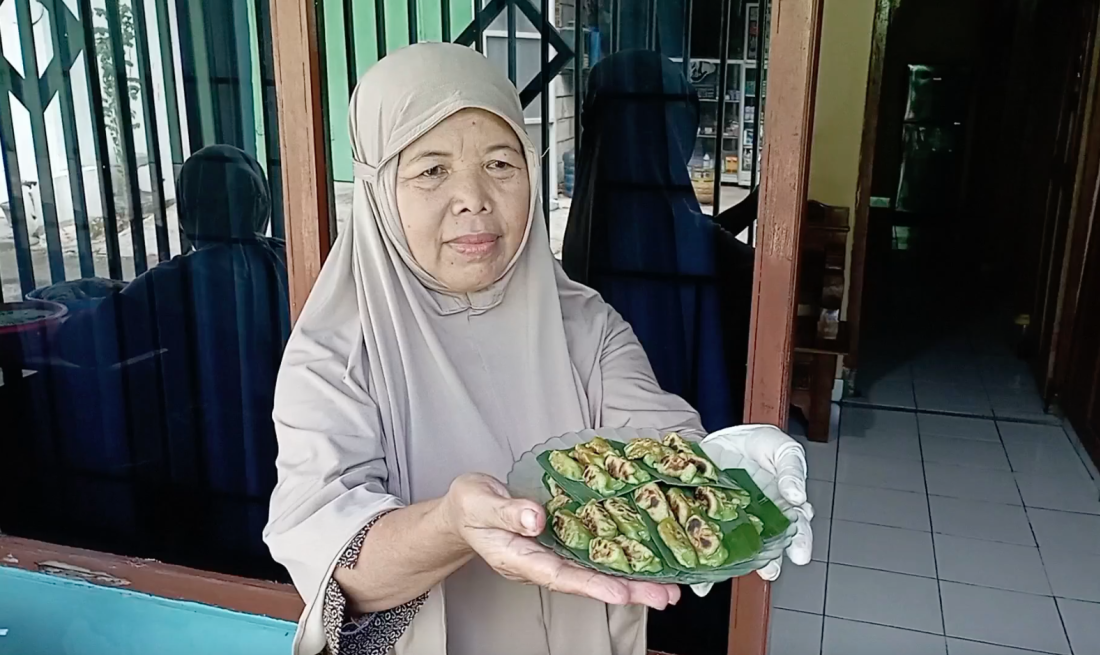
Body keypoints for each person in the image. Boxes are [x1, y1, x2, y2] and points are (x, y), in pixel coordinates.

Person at [263, 43, 811, 655]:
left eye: (501, 164)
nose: (474, 197)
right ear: (377, 188)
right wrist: (452, 527)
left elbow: (653, 440)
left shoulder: (586, 324)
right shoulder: (334, 359)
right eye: (431, 170)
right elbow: (335, 560)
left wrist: (720, 465)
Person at [46, 144, 290, 575]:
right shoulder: (288, 257)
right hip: (288, 446)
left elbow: (84, 340)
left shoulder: (178, 280)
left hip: (222, 462)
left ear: (188, 213)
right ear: (261, 205)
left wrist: (80, 303)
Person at [561, 50, 758, 432]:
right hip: (659, 394)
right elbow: (706, 250)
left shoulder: (595, 204)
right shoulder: (655, 204)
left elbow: (694, 238)